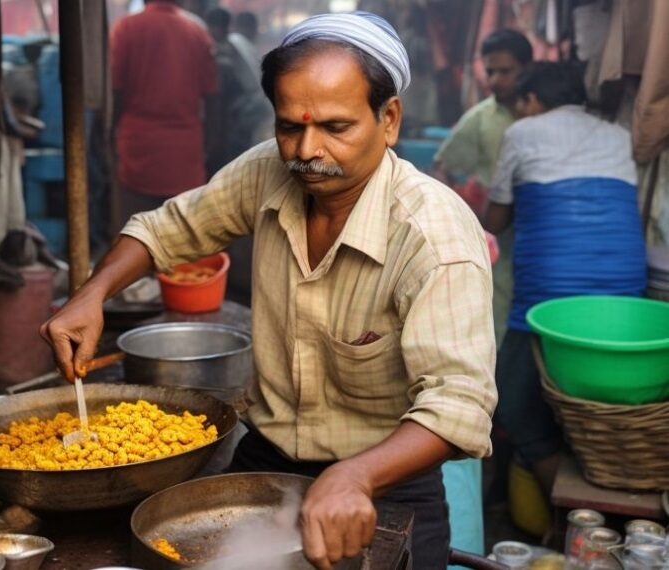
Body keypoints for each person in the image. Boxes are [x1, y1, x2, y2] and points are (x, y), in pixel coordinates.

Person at [43, 12, 496, 569]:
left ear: (390, 119)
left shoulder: (434, 237)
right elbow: (166, 230)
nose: (307, 150)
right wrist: (91, 294)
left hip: (385, 482)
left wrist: (353, 475)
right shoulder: (267, 172)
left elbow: (459, 407)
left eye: (336, 127)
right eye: (289, 127)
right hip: (266, 460)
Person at [483, 61, 647, 497]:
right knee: (590, 407)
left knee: (515, 403)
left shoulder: (523, 132)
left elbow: (495, 220)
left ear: (532, 100)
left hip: (548, 297)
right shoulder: (620, 135)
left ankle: (569, 510)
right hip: (626, 293)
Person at [434, 29, 532, 346]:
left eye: (506, 71)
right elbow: (443, 171)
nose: (495, 79)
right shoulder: (479, 119)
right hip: (496, 240)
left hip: (539, 236)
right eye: (490, 71)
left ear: (526, 68)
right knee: (499, 323)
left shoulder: (545, 112)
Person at [110, 0, 217, 223]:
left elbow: (115, 90)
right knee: (183, 241)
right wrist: (212, 144)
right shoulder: (196, 31)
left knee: (135, 236)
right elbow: (212, 96)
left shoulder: (126, 28)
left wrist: (109, 133)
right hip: (185, 155)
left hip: (137, 151)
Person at [204, 8, 274, 176]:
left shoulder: (231, 44)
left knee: (233, 158)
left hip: (246, 109)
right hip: (256, 107)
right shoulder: (241, 43)